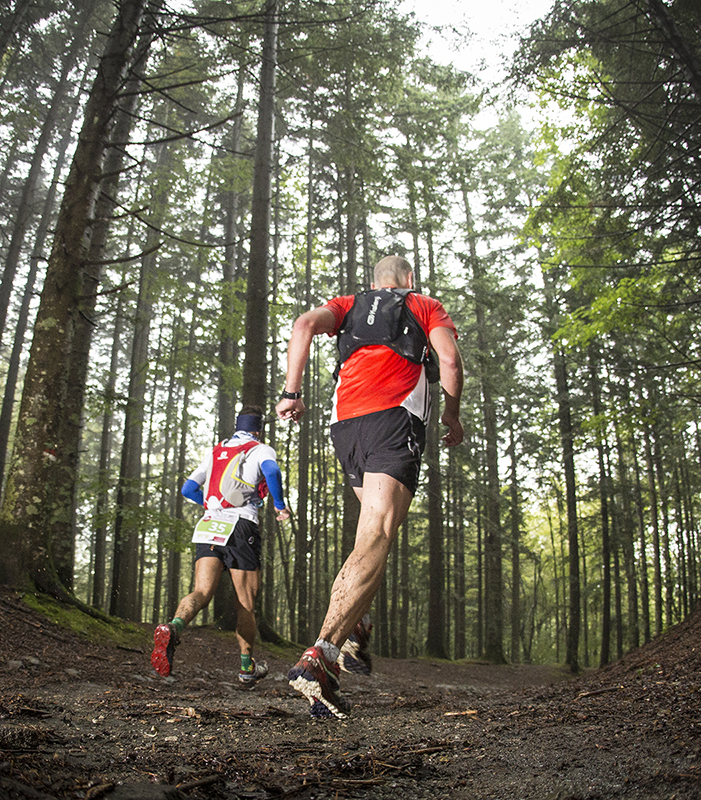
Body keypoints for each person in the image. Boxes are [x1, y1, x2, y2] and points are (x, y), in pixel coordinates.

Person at [275, 254, 465, 718]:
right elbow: (451, 361)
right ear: (409, 279)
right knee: (377, 537)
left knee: (374, 538)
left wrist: (291, 391)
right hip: (393, 420)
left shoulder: (345, 305)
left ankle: (350, 638)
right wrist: (452, 415)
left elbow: (302, 326)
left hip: (346, 429)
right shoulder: (423, 305)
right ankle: (319, 657)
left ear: (374, 281)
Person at [151, 405, 291, 688]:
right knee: (246, 603)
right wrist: (280, 505)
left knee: (201, 592)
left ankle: (174, 627)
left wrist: (212, 505)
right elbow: (272, 471)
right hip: (241, 526)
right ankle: (246, 668)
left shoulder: (216, 451)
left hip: (208, 525)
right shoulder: (260, 449)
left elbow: (188, 489)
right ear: (258, 429)